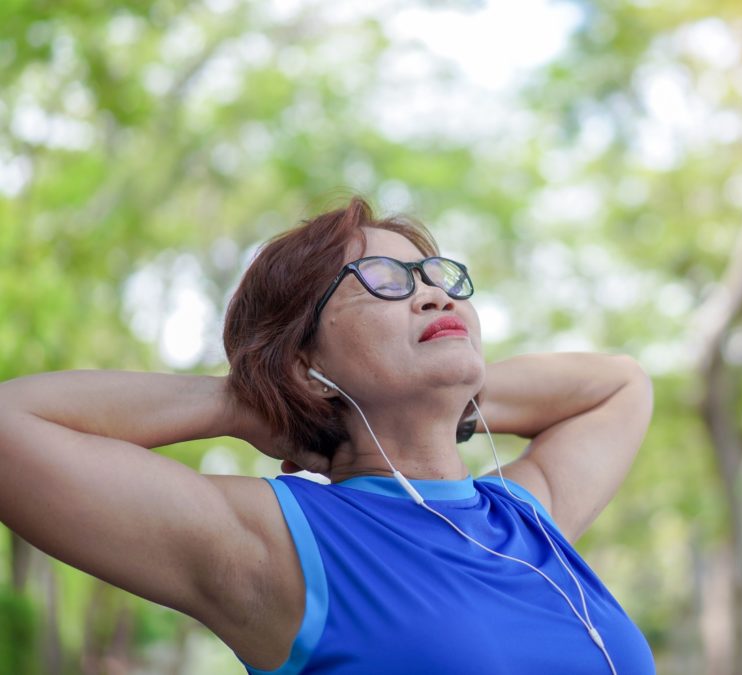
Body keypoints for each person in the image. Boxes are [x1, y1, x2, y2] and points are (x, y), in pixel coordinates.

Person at [0, 197, 655, 674]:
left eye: (435, 276)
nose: (431, 295)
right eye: (385, 283)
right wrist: (247, 398)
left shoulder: (523, 515)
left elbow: (622, 384)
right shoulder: (279, 543)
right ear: (305, 361)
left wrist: (458, 391)